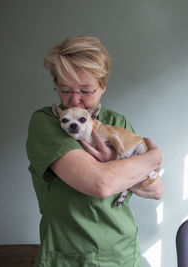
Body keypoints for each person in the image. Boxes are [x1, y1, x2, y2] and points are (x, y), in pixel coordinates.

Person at [26, 35, 163, 266]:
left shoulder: (116, 122)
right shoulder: (47, 123)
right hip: (70, 256)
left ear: (102, 86)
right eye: (65, 89)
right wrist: (153, 157)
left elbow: (156, 190)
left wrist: (114, 163)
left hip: (122, 254)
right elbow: (101, 184)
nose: (74, 101)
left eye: (86, 90)